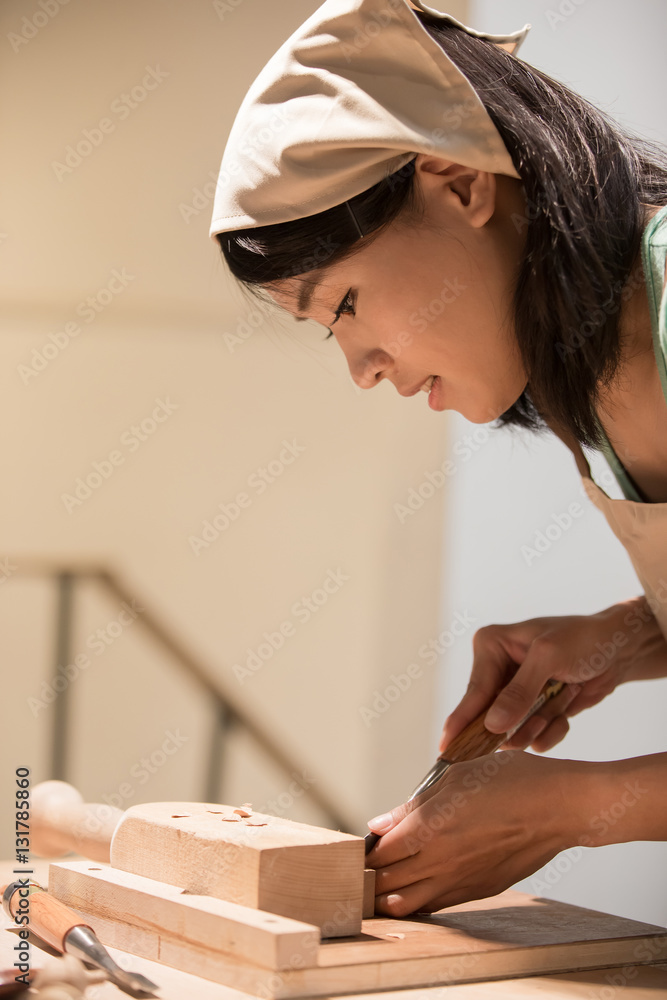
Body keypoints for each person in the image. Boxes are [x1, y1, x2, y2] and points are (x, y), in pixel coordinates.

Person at [210, 0, 667, 916]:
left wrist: (571, 809)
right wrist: (624, 637)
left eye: (340, 304)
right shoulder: (584, 381)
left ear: (458, 186)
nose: (361, 369)